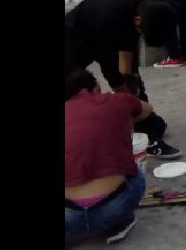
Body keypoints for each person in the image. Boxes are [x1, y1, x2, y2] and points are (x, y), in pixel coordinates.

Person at [64, 0, 182, 159]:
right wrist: (128, 102)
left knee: (139, 96)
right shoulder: (109, 17)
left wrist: (135, 98)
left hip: (116, 25)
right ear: (137, 21)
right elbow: (112, 71)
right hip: (76, 37)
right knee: (74, 87)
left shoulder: (156, 5)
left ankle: (145, 135)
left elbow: (128, 60)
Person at [65, 69, 152, 244]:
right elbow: (147, 110)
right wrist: (123, 120)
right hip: (112, 210)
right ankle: (120, 224)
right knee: (137, 175)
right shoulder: (116, 100)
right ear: (96, 88)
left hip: (68, 216)